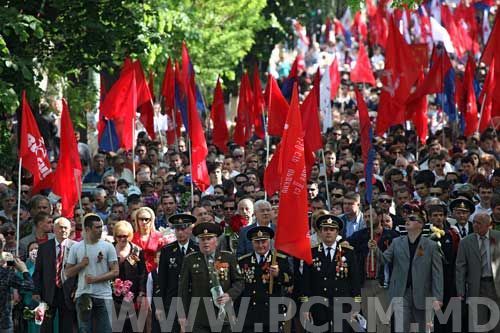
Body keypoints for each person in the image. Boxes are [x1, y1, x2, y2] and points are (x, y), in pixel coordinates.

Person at [368, 203, 443, 333]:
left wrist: (438, 297)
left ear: (421, 225)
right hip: (401, 292)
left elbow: (437, 274)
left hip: (423, 293)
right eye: (407, 219)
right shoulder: (397, 242)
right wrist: (375, 250)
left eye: (412, 219)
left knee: (424, 329)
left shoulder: (431, 246)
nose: (408, 220)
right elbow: (385, 259)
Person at [299, 214, 362, 332]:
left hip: (342, 304)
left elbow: (355, 280)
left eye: (332, 229)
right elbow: (306, 282)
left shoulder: (348, 253)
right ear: (320, 232)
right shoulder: (311, 253)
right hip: (318, 304)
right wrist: (305, 306)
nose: (328, 232)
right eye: (325, 229)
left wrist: (356, 304)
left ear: (337, 232)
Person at [178, 222, 244, 333]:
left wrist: (230, 295)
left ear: (216, 241)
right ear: (198, 241)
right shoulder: (190, 259)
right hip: (199, 317)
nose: (206, 242)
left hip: (224, 315)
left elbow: (239, 282)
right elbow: (183, 289)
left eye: (209, 238)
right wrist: (182, 315)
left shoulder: (228, 257)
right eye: (202, 239)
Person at [65, 213, 119, 333]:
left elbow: (115, 271)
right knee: (84, 330)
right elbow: (67, 273)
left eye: (101, 227)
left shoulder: (108, 247)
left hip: (104, 295)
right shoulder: (76, 247)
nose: (101, 230)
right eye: (97, 227)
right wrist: (80, 265)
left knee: (105, 330)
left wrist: (95, 279)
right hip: (83, 295)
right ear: (87, 229)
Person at [347, 208, 399, 333]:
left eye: (371, 216)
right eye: (365, 217)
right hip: (365, 283)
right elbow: (345, 244)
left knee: (383, 321)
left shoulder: (392, 236)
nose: (367, 219)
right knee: (369, 321)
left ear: (379, 216)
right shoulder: (360, 235)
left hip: (383, 283)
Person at [237, 226, 293, 333]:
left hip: (272, 313)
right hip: (249, 314)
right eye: (257, 242)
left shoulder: (279, 259)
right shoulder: (244, 261)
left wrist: (278, 274)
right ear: (252, 243)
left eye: (264, 241)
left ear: (270, 241)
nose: (261, 245)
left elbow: (290, 281)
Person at [456, 213, 500, 332]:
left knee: (497, 325)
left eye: (479, 223)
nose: (475, 225)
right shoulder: (465, 242)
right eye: (474, 222)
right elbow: (460, 268)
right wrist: (460, 291)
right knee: (479, 325)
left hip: (496, 286)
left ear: (488, 225)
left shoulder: (498, 237)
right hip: (476, 287)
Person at [32, 217, 77, 333]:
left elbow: (80, 272)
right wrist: (36, 291)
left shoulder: (76, 247)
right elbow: (38, 272)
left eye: (66, 228)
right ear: (54, 229)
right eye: (60, 227)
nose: (63, 230)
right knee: (46, 325)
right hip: (49, 291)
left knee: (67, 325)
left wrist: (77, 289)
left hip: (68, 291)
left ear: (70, 229)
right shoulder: (44, 247)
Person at [158, 214, 198, 333]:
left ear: (191, 229)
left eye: (184, 228)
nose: (180, 232)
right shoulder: (167, 250)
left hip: (193, 300)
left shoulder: (197, 250)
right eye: (177, 228)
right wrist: (159, 305)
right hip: (172, 300)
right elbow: (161, 280)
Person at [113, 220, 147, 333]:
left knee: (132, 327)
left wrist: (141, 293)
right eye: (119, 236)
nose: (122, 239)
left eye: (125, 236)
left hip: (132, 295)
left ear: (130, 235)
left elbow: (142, 273)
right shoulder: (109, 249)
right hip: (113, 296)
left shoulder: (137, 251)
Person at [0, 232, 35, 333]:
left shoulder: (8, 256)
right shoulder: (4, 272)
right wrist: (23, 269)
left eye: (3, 240)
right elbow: (29, 285)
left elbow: (11, 271)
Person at [131, 206, 168, 273]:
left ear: (151, 220)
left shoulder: (159, 236)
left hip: (155, 271)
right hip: (137, 272)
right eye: (141, 219)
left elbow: (164, 257)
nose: (144, 222)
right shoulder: (132, 237)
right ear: (137, 220)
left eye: (146, 219)